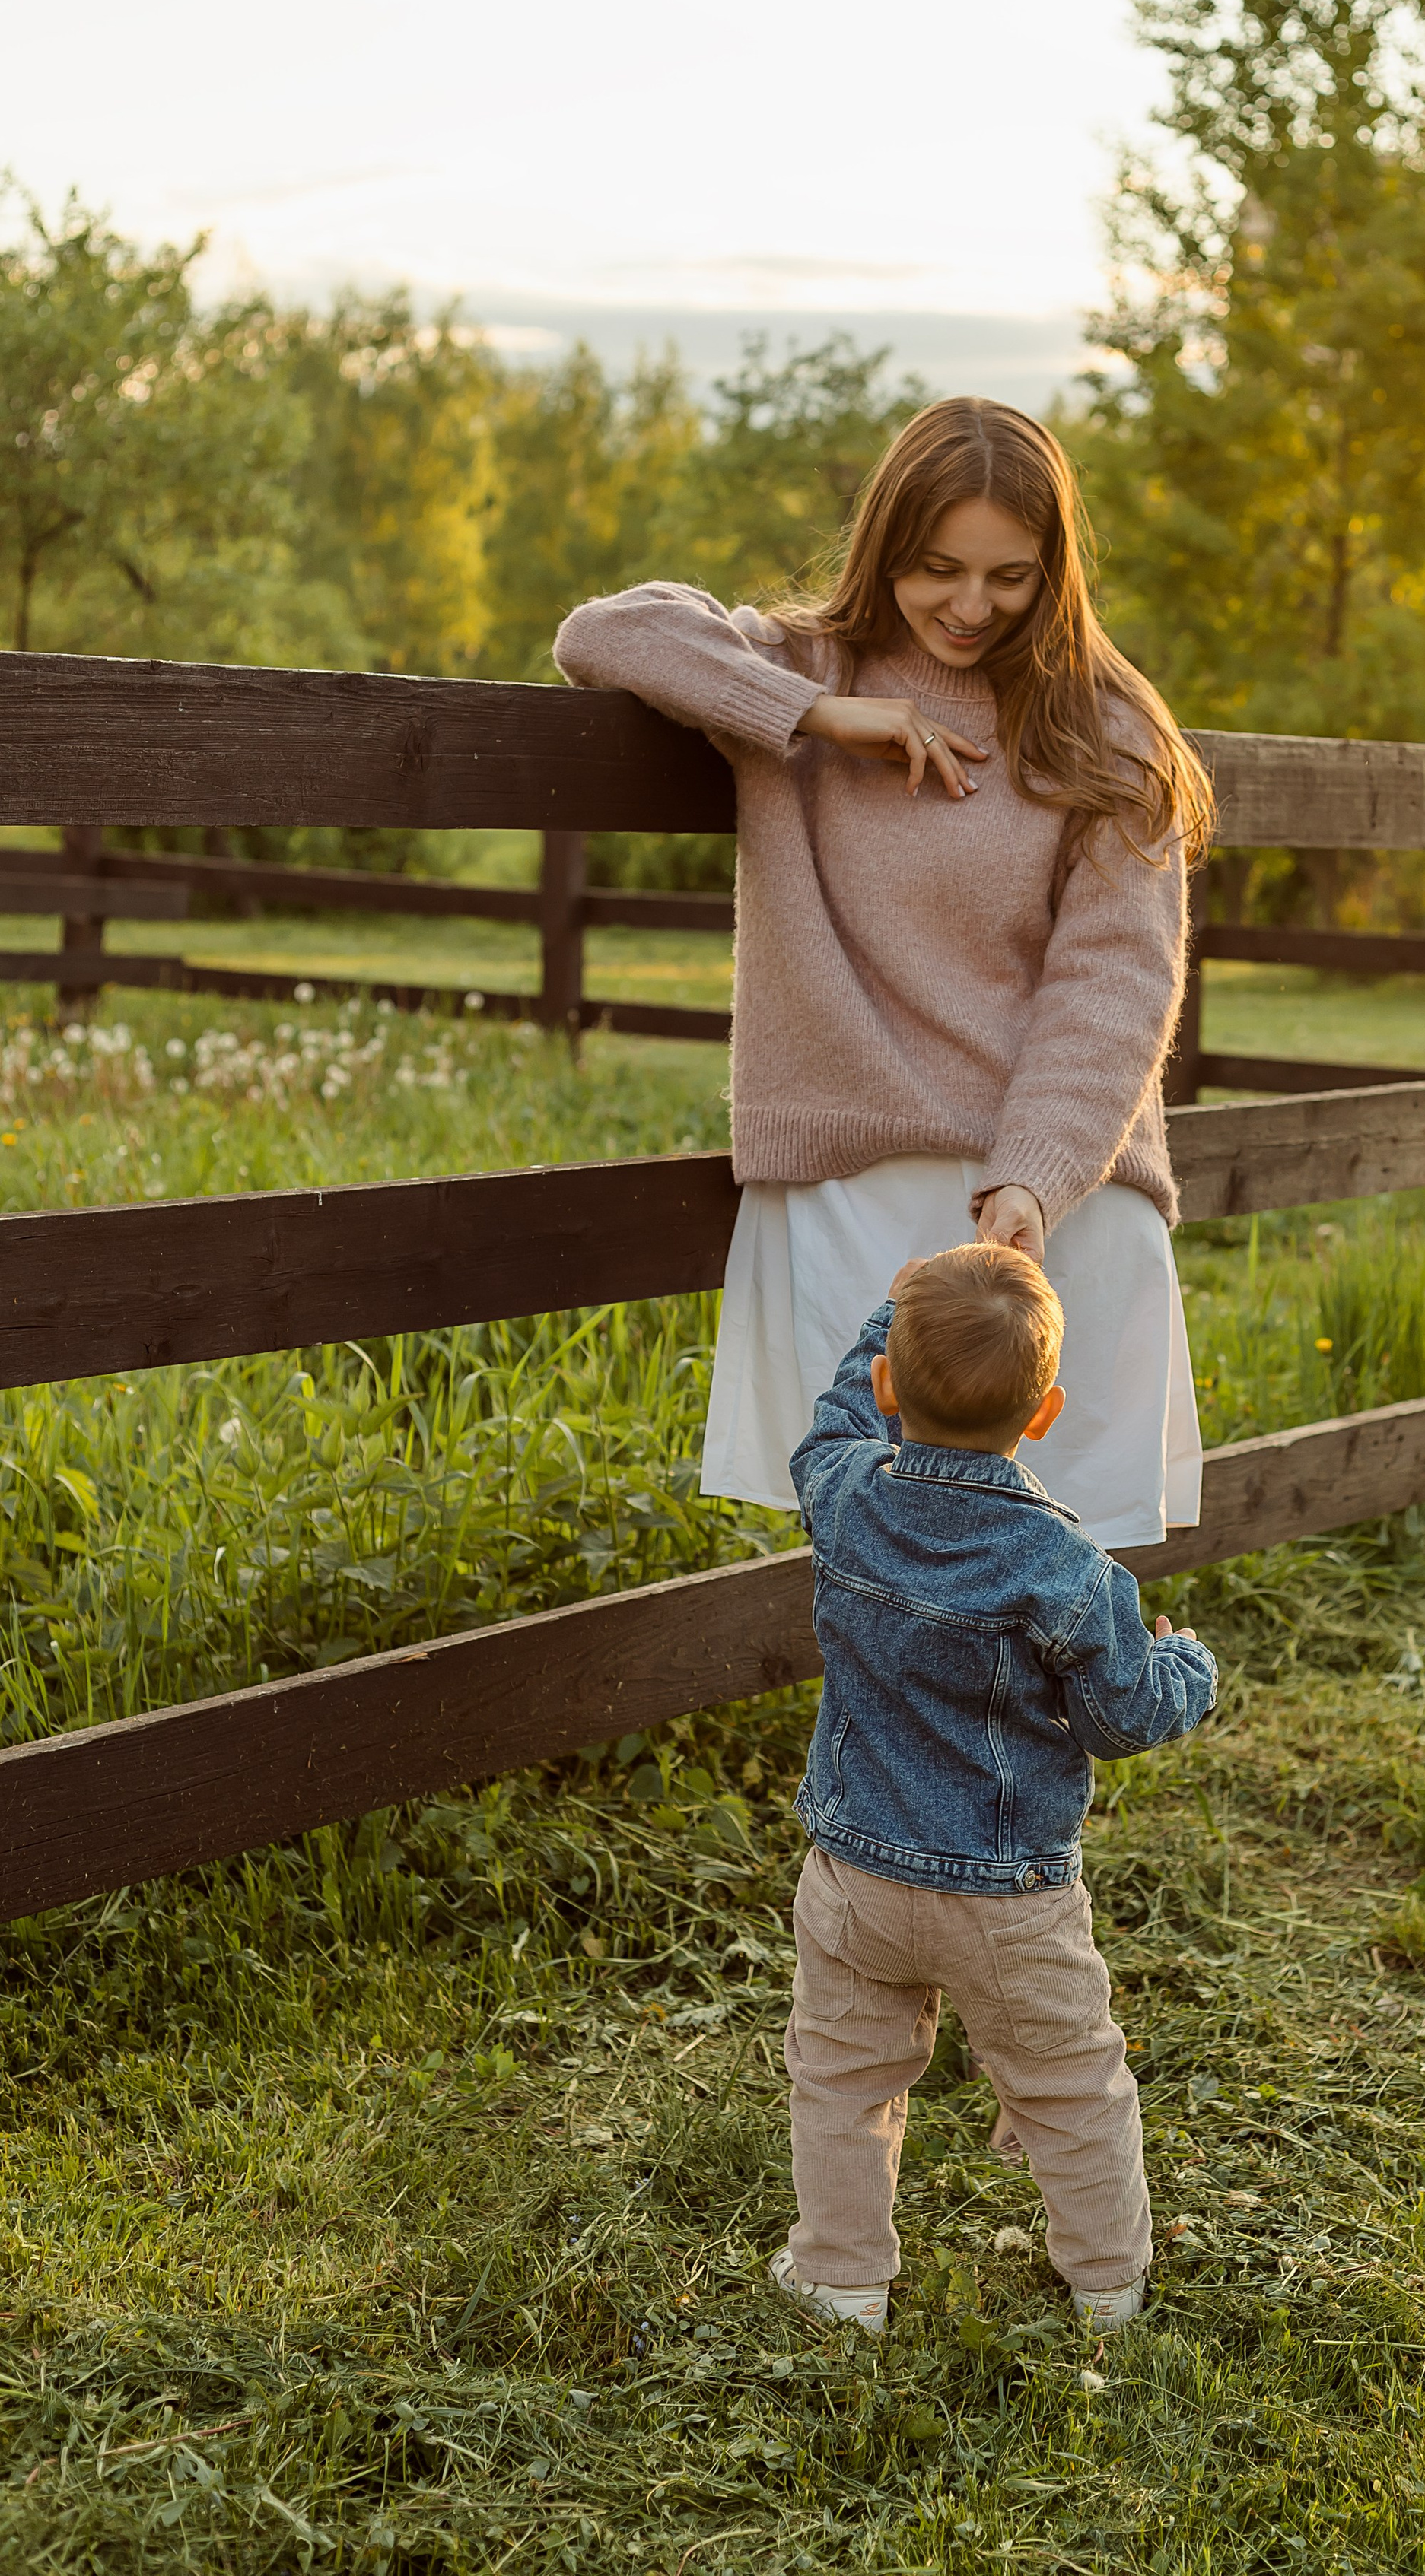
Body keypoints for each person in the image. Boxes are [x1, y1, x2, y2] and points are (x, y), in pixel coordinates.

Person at [552, 397, 1216, 1551]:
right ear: (885, 550)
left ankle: (1042, 1741)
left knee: (1057, 1564)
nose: (969, 607)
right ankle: (885, 1740)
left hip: (1056, 1192)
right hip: (853, 1180)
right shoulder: (800, 675)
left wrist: (1034, 1179)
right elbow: (604, 634)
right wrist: (817, 713)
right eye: (935, 569)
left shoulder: (1108, 732)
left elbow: (1116, 986)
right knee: (869, 1562)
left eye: (1010, 577)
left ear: (1055, 569)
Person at [769, 1243, 1219, 2335]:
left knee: (840, 2076)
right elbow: (1120, 1720)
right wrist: (1188, 1668)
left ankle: (841, 2279)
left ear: (886, 1391)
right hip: (1010, 1899)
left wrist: (890, 1315)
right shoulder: (1068, 1568)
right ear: (1046, 1411)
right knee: (1071, 2083)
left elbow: (834, 1418)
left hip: (856, 1875)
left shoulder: (844, 1492)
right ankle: (1107, 2281)